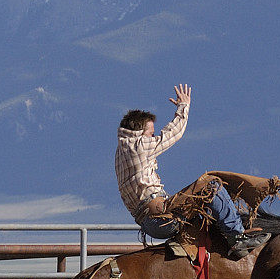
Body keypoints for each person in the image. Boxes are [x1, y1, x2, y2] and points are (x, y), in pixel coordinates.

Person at [115, 84, 270, 258]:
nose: (154, 136)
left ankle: (226, 235)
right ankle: (236, 237)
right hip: (161, 218)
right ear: (138, 132)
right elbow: (173, 133)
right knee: (212, 185)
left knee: (205, 207)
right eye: (151, 133)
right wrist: (183, 106)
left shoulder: (122, 151)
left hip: (149, 222)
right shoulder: (138, 146)